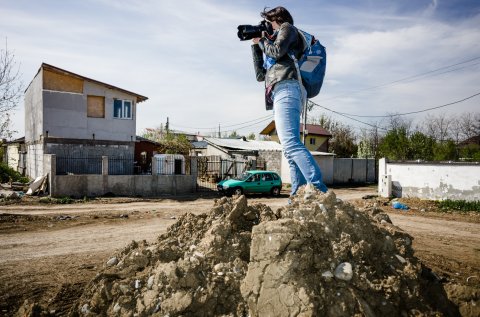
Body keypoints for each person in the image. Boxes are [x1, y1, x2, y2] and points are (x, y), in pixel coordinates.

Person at [250, 6, 328, 196]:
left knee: (291, 143)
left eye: (268, 22)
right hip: (280, 91)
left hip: (288, 87)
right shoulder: (273, 42)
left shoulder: (287, 28)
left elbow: (276, 51)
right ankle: (298, 194)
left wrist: (263, 41)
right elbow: (261, 76)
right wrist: (255, 46)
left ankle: (317, 187)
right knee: (288, 148)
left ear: (275, 19)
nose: (266, 27)